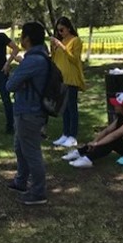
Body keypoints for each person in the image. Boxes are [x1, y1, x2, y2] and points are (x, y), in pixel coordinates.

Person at [6, 22, 53, 205]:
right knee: (20, 147)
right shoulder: (42, 55)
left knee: (31, 152)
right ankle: (20, 181)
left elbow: (10, 85)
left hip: (29, 111)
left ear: (27, 38)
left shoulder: (33, 60)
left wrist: (15, 77)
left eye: (22, 36)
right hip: (29, 110)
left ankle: (38, 192)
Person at [50, 17, 88, 147]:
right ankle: (65, 134)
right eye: (58, 30)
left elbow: (74, 59)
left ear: (69, 28)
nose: (60, 33)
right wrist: (54, 47)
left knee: (72, 107)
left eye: (62, 30)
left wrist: (63, 47)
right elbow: (54, 59)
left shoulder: (75, 41)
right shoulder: (60, 41)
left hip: (71, 78)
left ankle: (73, 135)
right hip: (59, 79)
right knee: (63, 108)